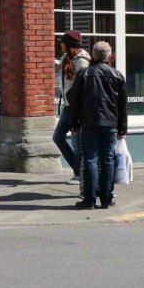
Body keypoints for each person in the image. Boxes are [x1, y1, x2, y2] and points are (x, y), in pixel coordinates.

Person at [66, 40, 127, 210]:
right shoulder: (117, 75)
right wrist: (123, 127)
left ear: (93, 55)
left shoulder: (84, 75)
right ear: (109, 55)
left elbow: (75, 101)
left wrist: (74, 123)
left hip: (89, 122)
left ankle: (90, 199)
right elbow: (122, 104)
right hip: (111, 123)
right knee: (107, 159)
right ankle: (106, 198)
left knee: (90, 159)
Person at [53, 30, 91, 181]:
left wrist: (78, 109)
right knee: (58, 137)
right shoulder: (67, 57)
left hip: (77, 108)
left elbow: (84, 86)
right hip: (68, 106)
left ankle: (81, 174)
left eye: (62, 43)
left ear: (69, 45)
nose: (60, 45)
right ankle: (79, 171)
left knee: (77, 144)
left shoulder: (81, 61)